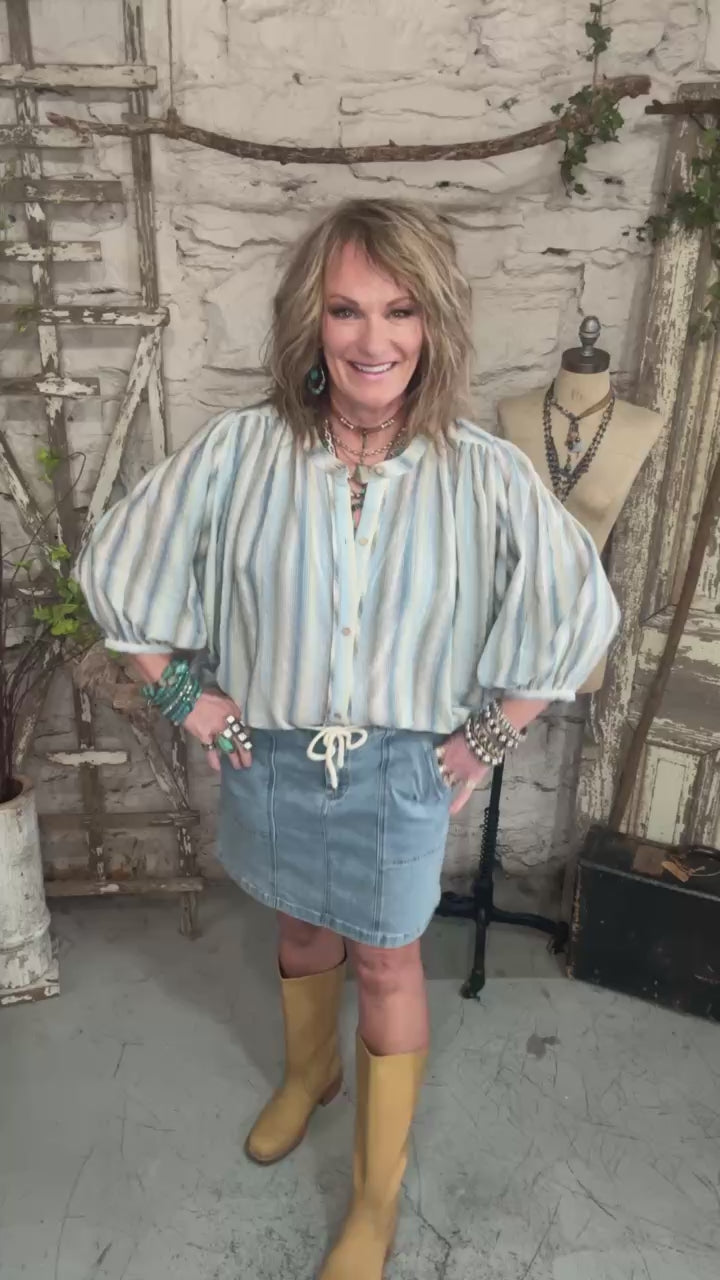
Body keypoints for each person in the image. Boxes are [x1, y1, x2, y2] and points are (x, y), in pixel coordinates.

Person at [76, 198, 619, 1278]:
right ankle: (308, 1073)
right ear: (310, 322)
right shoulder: (241, 452)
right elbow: (120, 566)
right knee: (298, 929)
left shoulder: (481, 470)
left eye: (400, 310)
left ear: (434, 323)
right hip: (272, 752)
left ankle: (373, 1199)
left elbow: (578, 610)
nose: (374, 339)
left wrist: (487, 734)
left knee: (385, 957)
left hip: (399, 766)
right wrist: (186, 694)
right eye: (347, 309)